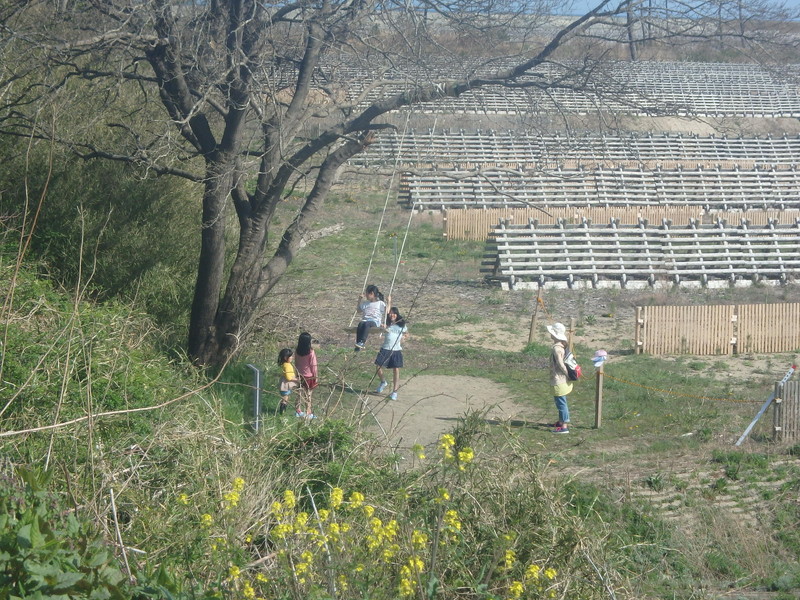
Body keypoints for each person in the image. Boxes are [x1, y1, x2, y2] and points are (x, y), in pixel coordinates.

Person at [374, 304, 408, 400]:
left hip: (396, 350)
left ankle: (395, 391)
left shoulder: (401, 325)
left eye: (394, 314)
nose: (392, 315)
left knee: (396, 370)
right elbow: (386, 312)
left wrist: (404, 338)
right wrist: (389, 301)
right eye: (391, 314)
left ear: (397, 315)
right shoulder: (386, 324)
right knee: (378, 366)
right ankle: (383, 382)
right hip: (385, 348)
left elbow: (406, 334)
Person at [547, 322, 573, 434]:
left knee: (561, 403)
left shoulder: (556, 348)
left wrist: (567, 374)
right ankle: (561, 422)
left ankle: (564, 426)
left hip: (559, 379)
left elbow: (561, 364)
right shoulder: (562, 346)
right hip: (562, 380)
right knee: (560, 402)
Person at [354, 284, 386, 351]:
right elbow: (358, 310)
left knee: (367, 323)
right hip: (365, 321)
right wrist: (359, 300)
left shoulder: (380, 303)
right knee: (361, 323)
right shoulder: (365, 303)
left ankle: (362, 342)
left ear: (371, 293)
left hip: (374, 322)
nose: (365, 295)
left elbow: (387, 312)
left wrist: (389, 302)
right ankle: (358, 344)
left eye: (366, 293)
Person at [295, 332, 318, 419]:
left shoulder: (297, 351)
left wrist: (296, 374)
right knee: (308, 395)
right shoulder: (311, 352)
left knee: (299, 393)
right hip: (309, 377)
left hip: (299, 375)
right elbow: (313, 366)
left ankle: (298, 411)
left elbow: (296, 363)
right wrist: (315, 377)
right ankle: (308, 412)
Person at [277, 348, 298, 415]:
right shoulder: (287, 366)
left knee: (286, 397)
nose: (292, 357)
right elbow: (288, 377)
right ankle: (282, 411)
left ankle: (283, 410)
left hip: (284, 384)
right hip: (285, 385)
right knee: (285, 398)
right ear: (286, 358)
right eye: (291, 356)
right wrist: (296, 379)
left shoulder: (284, 364)